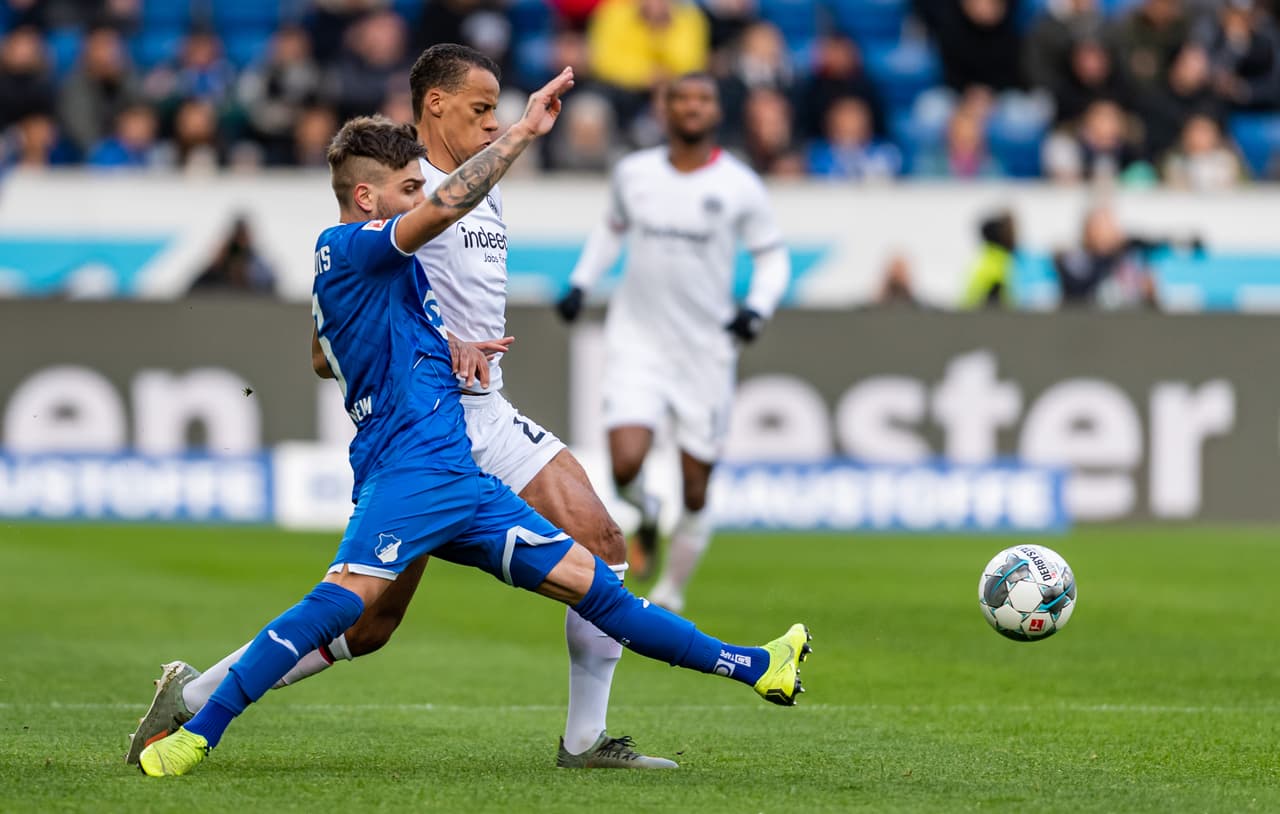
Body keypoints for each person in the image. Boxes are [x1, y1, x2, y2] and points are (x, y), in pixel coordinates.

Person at [136, 103, 811, 778]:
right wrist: (521, 134)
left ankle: (758, 667)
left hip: (464, 479)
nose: (420, 198)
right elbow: (435, 217)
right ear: (367, 195)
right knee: (344, 608)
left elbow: (333, 350)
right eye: (407, 189)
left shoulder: (391, 275)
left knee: (600, 587)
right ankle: (199, 728)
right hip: (409, 471)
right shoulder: (353, 245)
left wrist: (446, 346)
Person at [555, 73, 791, 613]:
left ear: (715, 110)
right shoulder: (633, 174)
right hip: (638, 341)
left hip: (705, 351)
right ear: (664, 109)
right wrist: (581, 282)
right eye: (681, 97)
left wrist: (755, 309)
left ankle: (671, 590)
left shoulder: (739, 184)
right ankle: (645, 509)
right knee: (623, 464)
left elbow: (772, 258)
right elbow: (611, 230)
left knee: (697, 488)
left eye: (702, 98)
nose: (691, 106)